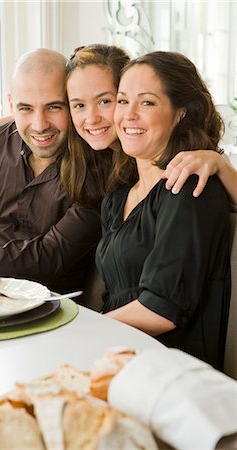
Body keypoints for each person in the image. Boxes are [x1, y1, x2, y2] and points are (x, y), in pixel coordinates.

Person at [0, 45, 237, 208]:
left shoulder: (158, 155)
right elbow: (43, 113)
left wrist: (219, 164)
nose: (92, 118)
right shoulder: (87, 149)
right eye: (78, 105)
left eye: (107, 101)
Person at [95, 51, 231, 370]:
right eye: (122, 100)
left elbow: (161, 311)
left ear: (181, 113)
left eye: (147, 102)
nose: (128, 115)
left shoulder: (189, 187)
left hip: (169, 371)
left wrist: (85, 332)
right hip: (115, 356)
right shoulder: (116, 198)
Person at [0, 49, 101, 294]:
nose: (40, 125)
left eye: (54, 107)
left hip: (50, 303)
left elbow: (50, 256)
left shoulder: (97, 168)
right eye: (26, 108)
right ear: (11, 105)